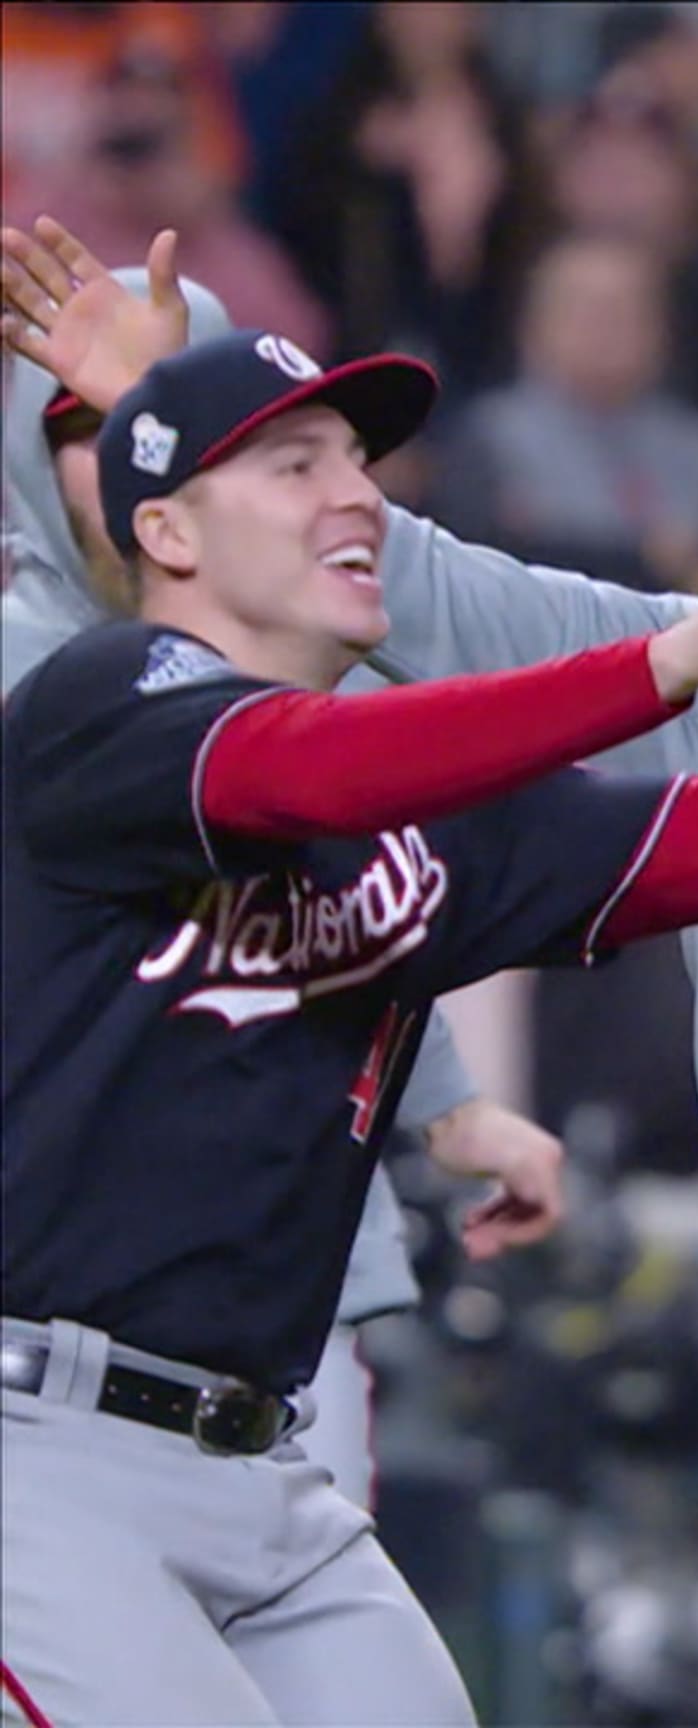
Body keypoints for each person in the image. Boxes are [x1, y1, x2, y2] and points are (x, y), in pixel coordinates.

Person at [2, 221, 698, 1725]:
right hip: (39, 1452)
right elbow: (312, 767)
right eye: (296, 465)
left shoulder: (421, 826)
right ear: (169, 535)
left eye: (358, 463)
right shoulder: (102, 700)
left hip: (265, 1461)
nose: (356, 495)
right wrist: (672, 662)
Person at [0, 240, 568, 1518]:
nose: (143, 454)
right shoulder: (19, 675)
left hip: (293, 1307)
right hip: (49, 1330)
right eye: (90, 424)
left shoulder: (320, 677)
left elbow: (340, 918)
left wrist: (452, 1106)